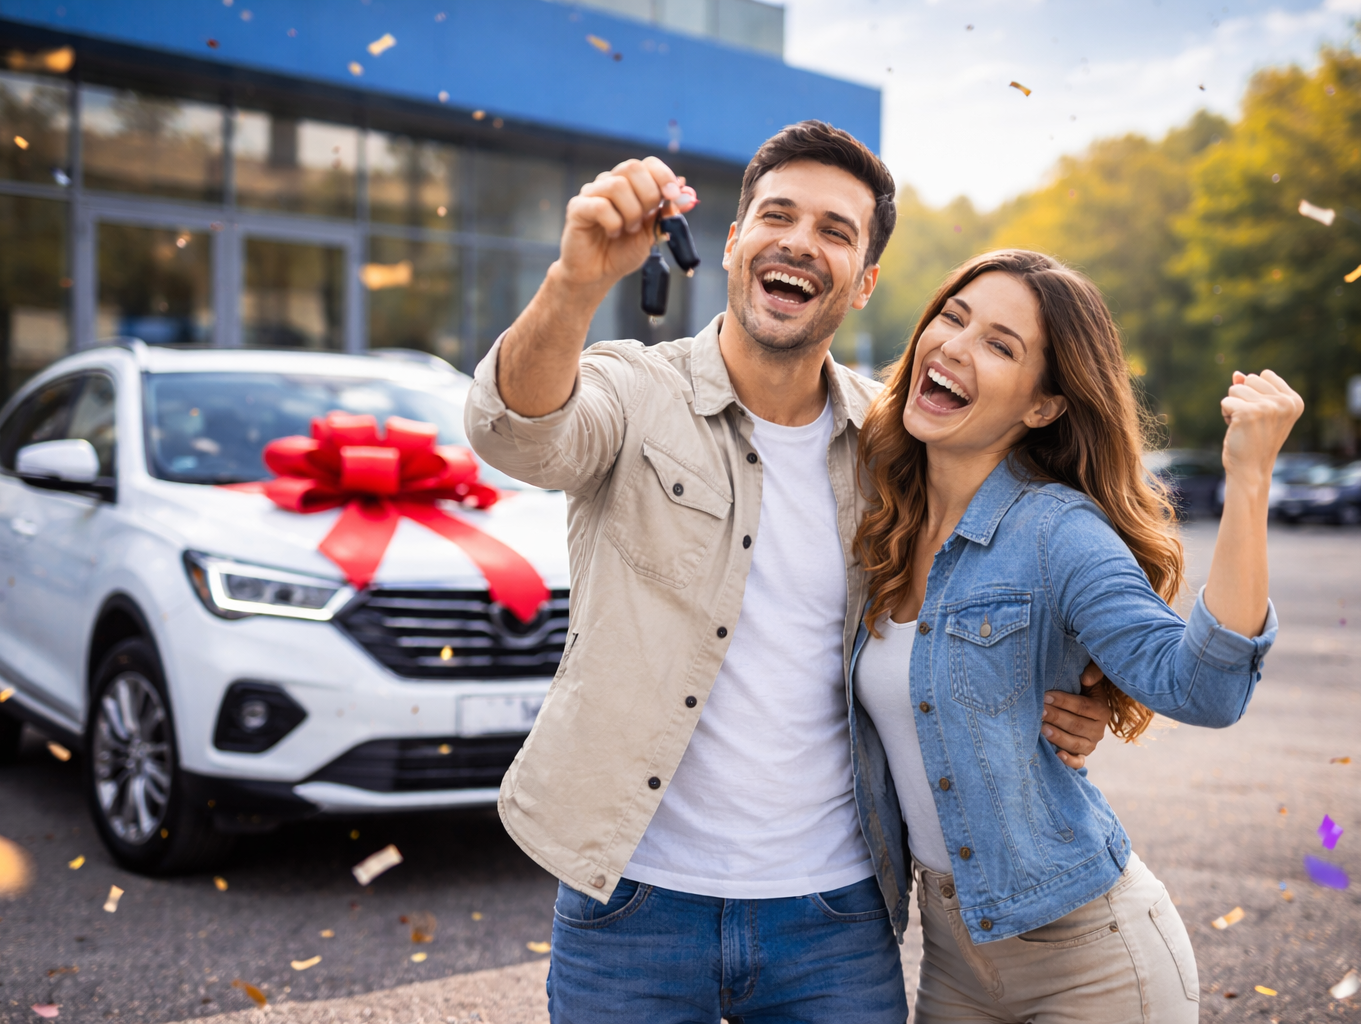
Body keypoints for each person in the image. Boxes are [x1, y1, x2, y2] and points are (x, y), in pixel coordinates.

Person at [464, 123, 1111, 1023]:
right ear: (733, 241)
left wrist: (1083, 685)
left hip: (834, 918)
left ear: (865, 280)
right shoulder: (633, 389)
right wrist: (577, 282)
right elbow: (517, 433)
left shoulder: (895, 447)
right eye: (778, 214)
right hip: (633, 905)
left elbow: (1025, 556)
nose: (801, 242)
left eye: (836, 231)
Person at [850, 249, 1302, 1022]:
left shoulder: (1058, 532)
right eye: (953, 318)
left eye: (1001, 345)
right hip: (952, 959)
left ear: (1043, 407)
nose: (957, 346)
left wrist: (1249, 478)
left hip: (1092, 963)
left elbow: (1206, 687)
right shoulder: (877, 506)